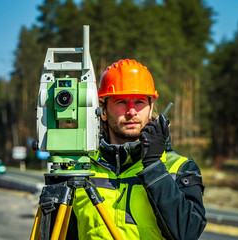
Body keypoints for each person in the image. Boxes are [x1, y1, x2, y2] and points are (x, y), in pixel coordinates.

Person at [68, 59, 207, 239]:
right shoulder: (79, 170)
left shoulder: (180, 168)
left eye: (139, 102)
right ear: (102, 110)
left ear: (150, 110)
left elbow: (188, 233)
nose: (132, 111)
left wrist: (153, 166)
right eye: (121, 101)